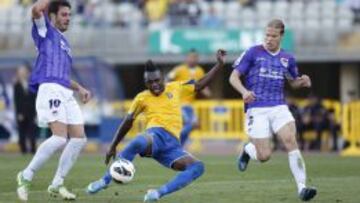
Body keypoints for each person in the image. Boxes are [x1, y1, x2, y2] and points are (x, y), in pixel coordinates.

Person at [87, 49, 226, 202]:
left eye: (157, 80)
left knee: (198, 167)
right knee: (138, 142)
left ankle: (157, 194)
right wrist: (113, 145)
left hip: (173, 146)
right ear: (145, 83)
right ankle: (105, 180)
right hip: (155, 136)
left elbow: (199, 85)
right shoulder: (142, 98)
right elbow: (127, 122)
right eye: (149, 82)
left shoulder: (176, 87)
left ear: (162, 78)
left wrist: (219, 65)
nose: (154, 85)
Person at [229, 19, 317, 201]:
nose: (269, 39)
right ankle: (248, 150)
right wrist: (244, 92)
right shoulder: (253, 52)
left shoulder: (287, 58)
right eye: (267, 35)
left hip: (278, 106)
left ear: (281, 36)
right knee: (264, 156)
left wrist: (303, 82)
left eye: (273, 36)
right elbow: (233, 77)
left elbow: (293, 82)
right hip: (256, 108)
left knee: (291, 141)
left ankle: (302, 188)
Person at [16, 0, 91, 201]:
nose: (67, 18)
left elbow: (63, 77)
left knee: (79, 138)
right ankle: (26, 175)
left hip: (65, 91)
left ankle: (57, 183)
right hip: (49, 89)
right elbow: (35, 9)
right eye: (64, 14)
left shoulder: (65, 43)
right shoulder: (45, 31)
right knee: (59, 138)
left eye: (69, 15)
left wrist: (80, 88)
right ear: (53, 16)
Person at [167, 49, 211, 146]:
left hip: (190, 105)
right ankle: (174, 145)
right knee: (191, 124)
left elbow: (201, 84)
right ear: (186, 58)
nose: (193, 59)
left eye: (195, 57)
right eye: (191, 57)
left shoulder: (199, 71)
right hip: (179, 104)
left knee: (192, 125)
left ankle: (178, 146)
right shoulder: (179, 69)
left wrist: (206, 91)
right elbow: (168, 79)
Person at [14, 65, 37, 154]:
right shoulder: (16, 85)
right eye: (20, 72)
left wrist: (36, 113)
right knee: (21, 134)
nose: (22, 74)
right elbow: (17, 100)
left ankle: (33, 151)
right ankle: (23, 151)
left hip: (31, 113)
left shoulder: (32, 84)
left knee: (32, 134)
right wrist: (19, 113)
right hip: (21, 114)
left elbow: (34, 99)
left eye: (24, 72)